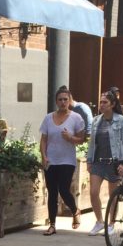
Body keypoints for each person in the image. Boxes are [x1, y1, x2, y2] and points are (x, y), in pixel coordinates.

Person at [39, 86, 86, 235]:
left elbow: (82, 139)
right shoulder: (48, 118)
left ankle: (74, 210)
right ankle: (52, 224)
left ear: (69, 100)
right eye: (60, 99)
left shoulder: (76, 118)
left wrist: (70, 138)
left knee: (63, 189)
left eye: (65, 99)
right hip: (51, 160)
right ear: (56, 101)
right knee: (52, 192)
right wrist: (44, 156)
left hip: (67, 160)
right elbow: (44, 139)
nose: (63, 102)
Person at [86, 90, 123, 236]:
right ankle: (99, 221)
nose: (102, 105)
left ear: (112, 104)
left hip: (114, 163)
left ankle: (111, 223)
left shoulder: (120, 120)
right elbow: (92, 143)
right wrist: (89, 160)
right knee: (93, 192)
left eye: (105, 102)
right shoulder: (96, 120)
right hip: (98, 161)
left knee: (114, 195)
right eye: (101, 102)